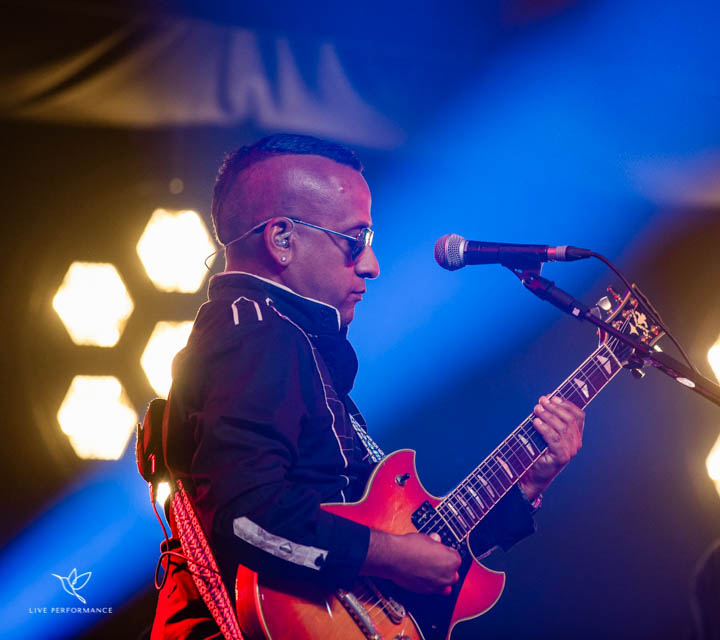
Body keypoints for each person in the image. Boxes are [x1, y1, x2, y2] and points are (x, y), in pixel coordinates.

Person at [149, 134, 586, 639]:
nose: (371, 265)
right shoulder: (255, 334)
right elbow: (246, 518)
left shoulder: (290, 342)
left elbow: (417, 564)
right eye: (355, 240)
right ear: (282, 239)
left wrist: (527, 484)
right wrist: (394, 555)